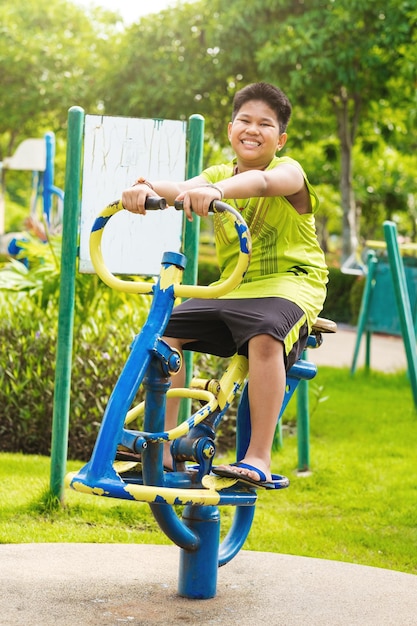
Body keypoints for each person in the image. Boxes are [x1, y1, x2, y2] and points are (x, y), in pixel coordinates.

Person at [121, 82, 328, 488]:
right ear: (230, 128)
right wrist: (143, 188)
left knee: (265, 336)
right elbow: (180, 189)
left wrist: (214, 192)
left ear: (280, 138)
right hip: (234, 287)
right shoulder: (217, 173)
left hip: (290, 284)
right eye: (245, 121)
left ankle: (258, 458)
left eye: (265, 124)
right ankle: (160, 445)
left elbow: (264, 185)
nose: (253, 130)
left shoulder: (288, 171)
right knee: (164, 333)